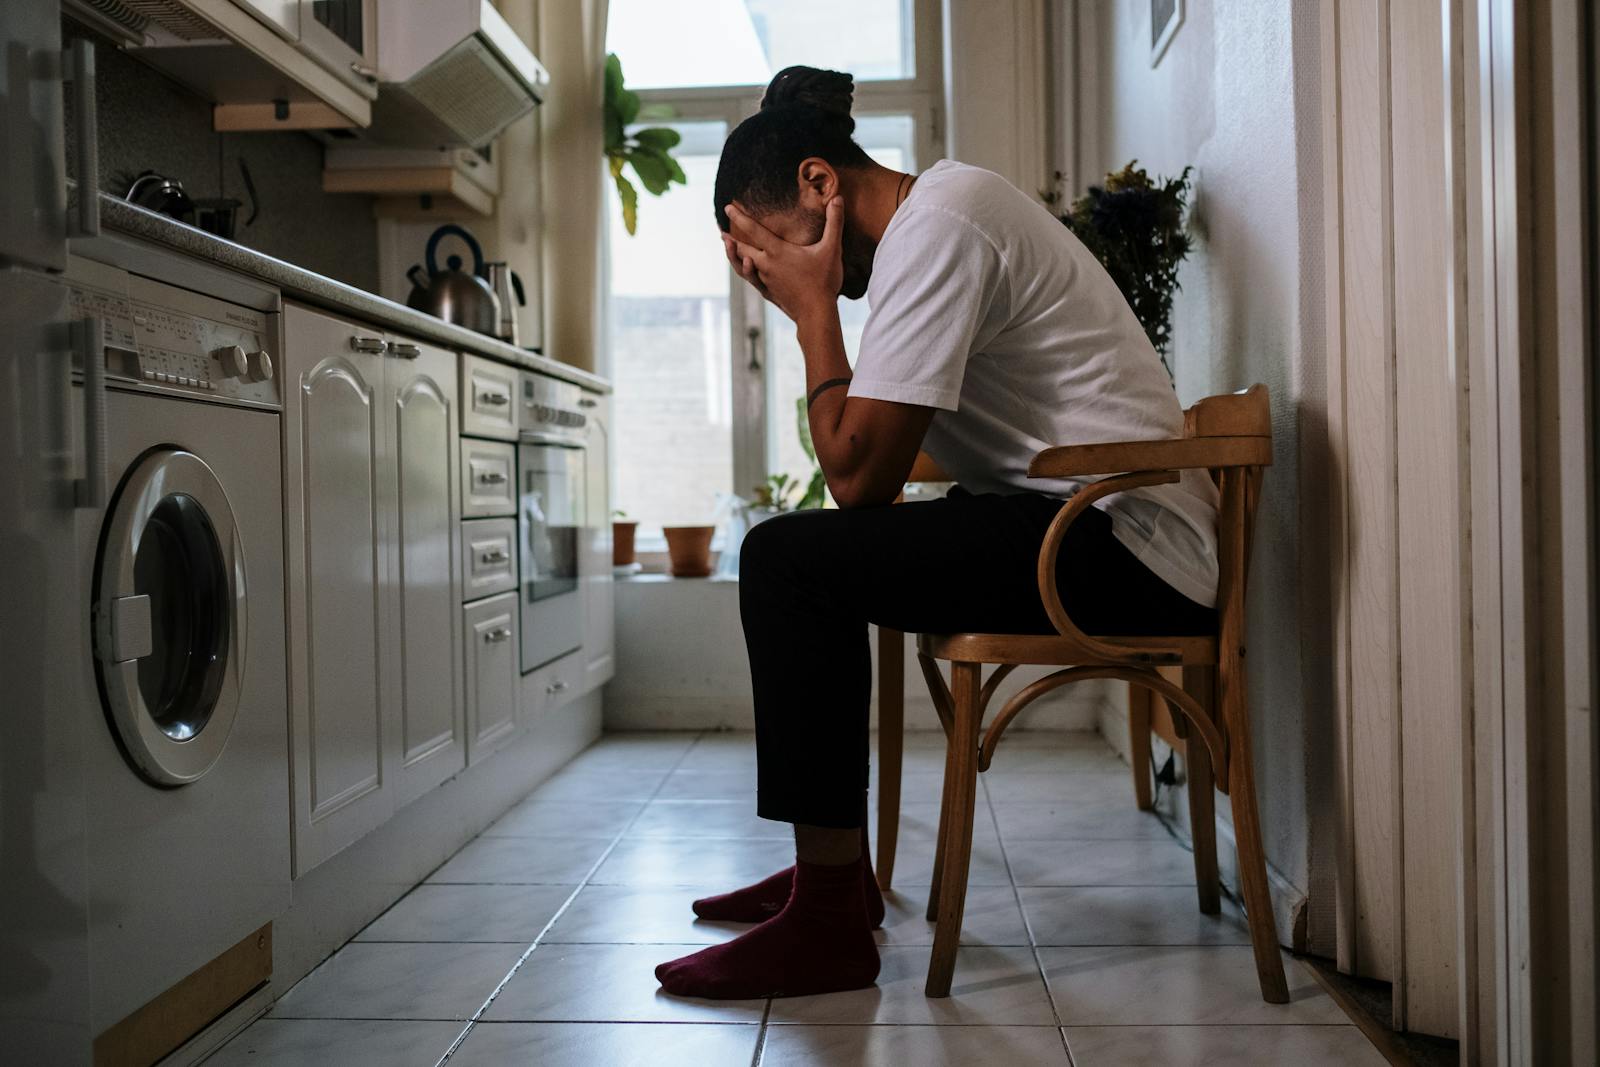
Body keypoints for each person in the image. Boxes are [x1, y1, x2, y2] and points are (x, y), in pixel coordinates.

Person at [653, 66, 1219, 1001]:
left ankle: (832, 916)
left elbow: (857, 479)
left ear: (819, 184)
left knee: (787, 561)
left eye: (778, 252)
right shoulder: (937, 224)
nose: (791, 281)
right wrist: (819, 313)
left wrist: (809, 313)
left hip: (1128, 544)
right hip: (1078, 519)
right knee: (805, 557)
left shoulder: (941, 228)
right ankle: (831, 878)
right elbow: (869, 458)